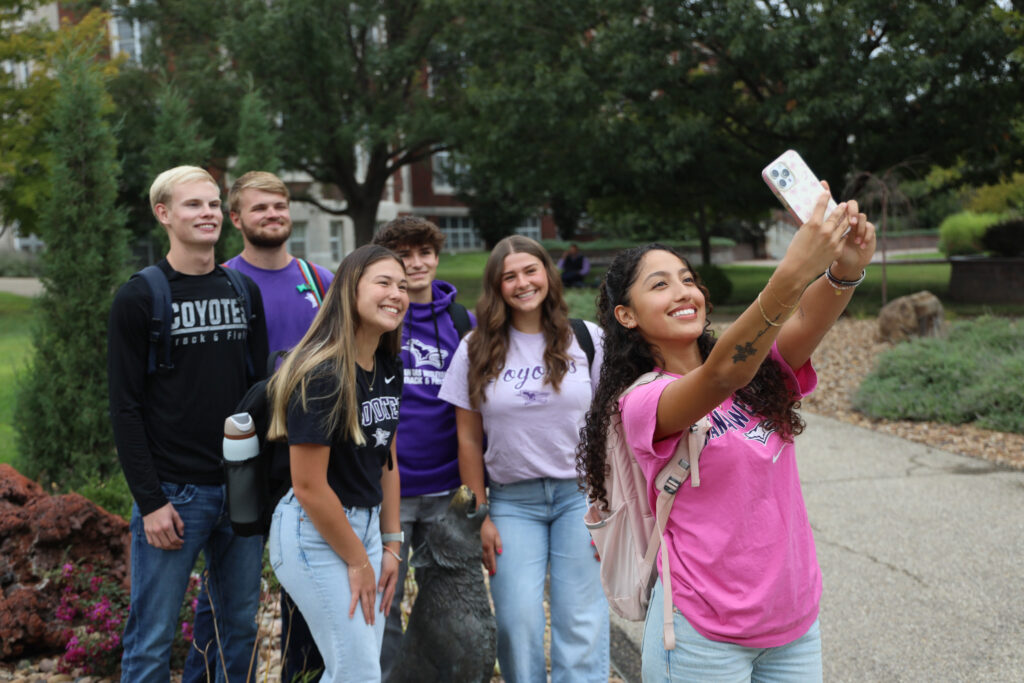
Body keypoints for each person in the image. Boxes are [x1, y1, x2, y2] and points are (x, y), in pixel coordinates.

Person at [576, 190, 877, 681]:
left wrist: (845, 270)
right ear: (626, 315)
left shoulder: (756, 374)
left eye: (688, 280)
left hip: (793, 624)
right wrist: (792, 273)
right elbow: (718, 377)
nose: (683, 292)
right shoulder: (642, 402)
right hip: (702, 636)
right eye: (659, 285)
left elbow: (804, 321)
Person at [107, 166, 269, 682]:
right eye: (194, 205)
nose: (208, 214)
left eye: (214, 204)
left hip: (240, 491)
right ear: (164, 214)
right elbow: (125, 408)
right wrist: (151, 502)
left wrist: (265, 482)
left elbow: (257, 398)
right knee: (151, 639)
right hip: (175, 496)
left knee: (237, 628)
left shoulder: (244, 292)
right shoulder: (140, 298)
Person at [438, 235, 610, 682]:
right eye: (509, 276)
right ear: (497, 287)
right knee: (517, 624)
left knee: (581, 623)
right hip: (513, 503)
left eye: (530, 271)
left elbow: (613, 426)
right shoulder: (475, 348)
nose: (522, 283)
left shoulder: (588, 339)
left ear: (548, 276)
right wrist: (480, 516)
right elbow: (469, 441)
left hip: (581, 499)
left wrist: (607, 501)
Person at [184, 170, 334, 683]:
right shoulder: (222, 283)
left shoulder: (320, 282)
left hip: (311, 459)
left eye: (279, 206)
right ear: (236, 218)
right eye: (259, 208)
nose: (272, 216)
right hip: (246, 463)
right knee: (230, 594)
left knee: (310, 595)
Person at [267, 244, 407, 682]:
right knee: (356, 671)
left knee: (360, 668)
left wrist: (391, 542)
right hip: (315, 534)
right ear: (349, 291)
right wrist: (359, 561)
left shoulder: (387, 365)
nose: (397, 294)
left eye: (402, 286)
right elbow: (308, 486)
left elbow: (387, 460)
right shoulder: (323, 373)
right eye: (383, 282)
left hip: (363, 531)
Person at [371, 216, 476, 677]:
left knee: (447, 604)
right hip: (384, 489)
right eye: (404, 255)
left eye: (424, 253)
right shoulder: (375, 316)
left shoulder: (460, 320)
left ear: (436, 256)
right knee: (381, 605)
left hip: (444, 487)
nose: (416, 264)